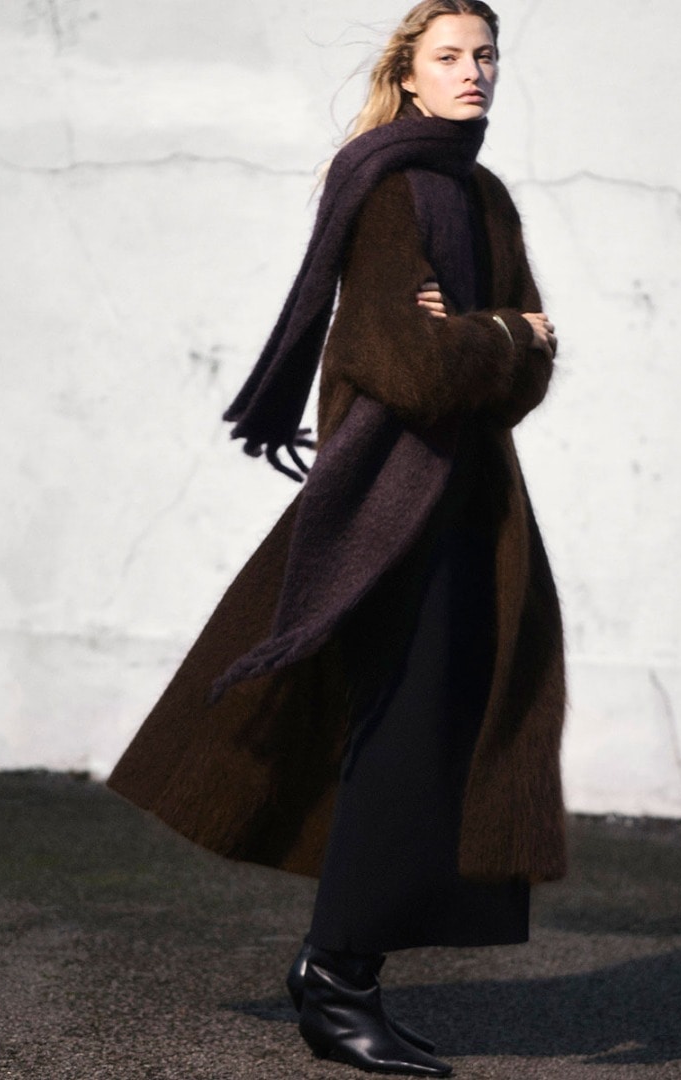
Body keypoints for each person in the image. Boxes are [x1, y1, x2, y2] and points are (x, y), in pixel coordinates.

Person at [107, 2, 567, 1074]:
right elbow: (409, 364)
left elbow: (523, 369)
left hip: (471, 501)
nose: (475, 72)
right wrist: (502, 333)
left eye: (487, 55)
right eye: (450, 56)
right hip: (389, 502)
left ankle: (344, 972)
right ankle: (336, 979)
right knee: (399, 735)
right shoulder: (385, 189)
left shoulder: (482, 197)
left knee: (452, 728)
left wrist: (483, 337)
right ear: (406, 73)